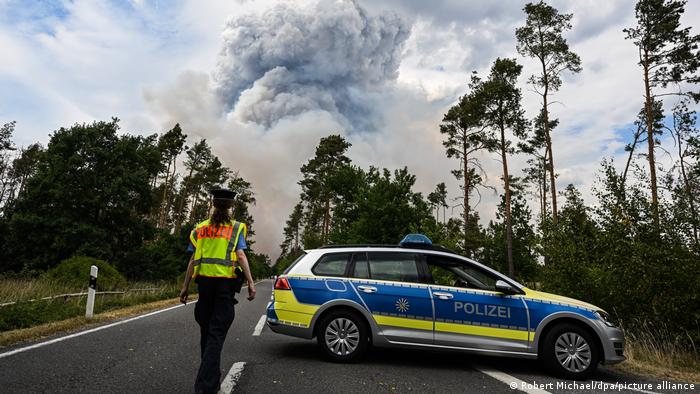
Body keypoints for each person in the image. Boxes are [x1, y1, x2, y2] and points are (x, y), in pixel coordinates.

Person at [180, 187, 256, 394]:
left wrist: (185, 286)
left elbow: (193, 259)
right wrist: (250, 282)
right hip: (224, 289)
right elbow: (240, 255)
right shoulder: (236, 228)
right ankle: (205, 387)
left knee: (207, 334)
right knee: (216, 335)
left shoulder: (199, 229)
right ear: (231, 206)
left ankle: (211, 383)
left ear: (213, 204)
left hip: (203, 288)